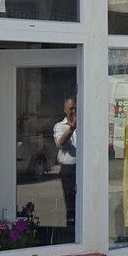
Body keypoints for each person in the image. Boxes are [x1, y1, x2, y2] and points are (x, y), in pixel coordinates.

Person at [53, 97, 78, 229]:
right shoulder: (59, 126)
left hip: (81, 168)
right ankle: (70, 229)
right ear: (65, 110)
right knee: (71, 204)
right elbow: (61, 143)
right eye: (70, 109)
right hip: (68, 169)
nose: (73, 111)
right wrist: (72, 128)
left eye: (75, 108)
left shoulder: (84, 124)